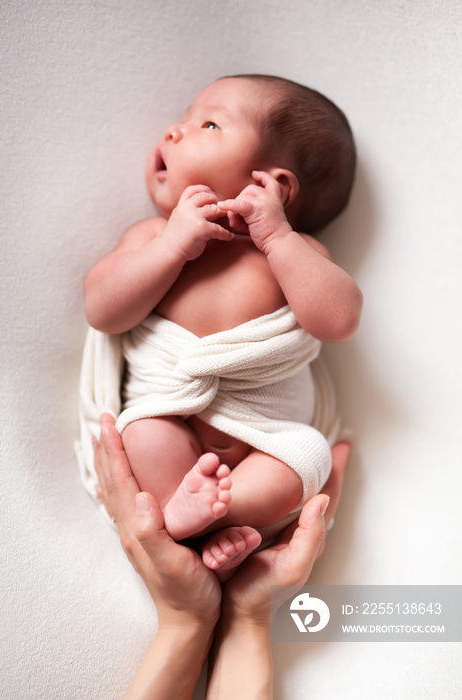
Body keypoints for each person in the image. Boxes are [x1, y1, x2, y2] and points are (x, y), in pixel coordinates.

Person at [83, 74, 362, 578]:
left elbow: (339, 320)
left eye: (208, 123)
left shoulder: (296, 255)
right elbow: (103, 310)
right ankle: (185, 511)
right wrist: (171, 247)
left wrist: (277, 237)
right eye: (186, 117)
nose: (173, 130)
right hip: (170, 415)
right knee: (141, 433)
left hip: (266, 438)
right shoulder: (152, 235)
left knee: (310, 454)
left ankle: (213, 517)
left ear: (273, 185)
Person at [94, 414, 351, 699]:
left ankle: (183, 518)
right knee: (144, 433)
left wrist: (186, 615)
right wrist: (248, 614)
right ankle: (193, 515)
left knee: (298, 461)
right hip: (181, 416)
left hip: (266, 447)